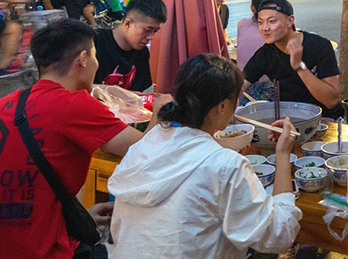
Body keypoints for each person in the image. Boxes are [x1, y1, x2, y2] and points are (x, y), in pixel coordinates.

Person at [0, 19, 168, 259]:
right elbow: (147, 150)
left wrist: (79, 215)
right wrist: (161, 111)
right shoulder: (74, 104)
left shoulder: (4, 104)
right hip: (41, 252)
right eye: (95, 56)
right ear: (83, 59)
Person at [108, 54, 301, 258]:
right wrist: (282, 155)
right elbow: (280, 235)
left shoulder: (143, 147)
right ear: (223, 106)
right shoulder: (225, 165)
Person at [244, 0, 343, 118]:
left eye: (272, 21)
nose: (265, 28)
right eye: (260, 22)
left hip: (324, 120)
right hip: (287, 120)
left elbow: (330, 101)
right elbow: (241, 84)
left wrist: (299, 67)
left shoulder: (320, 46)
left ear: (290, 21)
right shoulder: (265, 53)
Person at [93, 0, 167, 92]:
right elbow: (76, 87)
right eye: (147, 30)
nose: (151, 37)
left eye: (155, 31)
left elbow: (141, 91)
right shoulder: (94, 42)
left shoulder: (142, 52)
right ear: (128, 23)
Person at [236, 0, 274, 70]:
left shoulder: (241, 24)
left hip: (241, 76)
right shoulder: (274, 29)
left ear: (252, 8)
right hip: (265, 81)